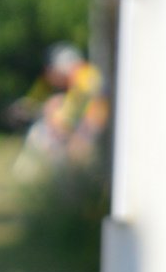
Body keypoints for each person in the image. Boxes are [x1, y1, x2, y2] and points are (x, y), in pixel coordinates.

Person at [9, 42, 108, 182]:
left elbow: (72, 116)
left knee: (41, 138)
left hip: (88, 134)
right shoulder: (83, 76)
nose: (51, 75)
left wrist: (51, 114)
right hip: (86, 132)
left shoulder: (84, 77)